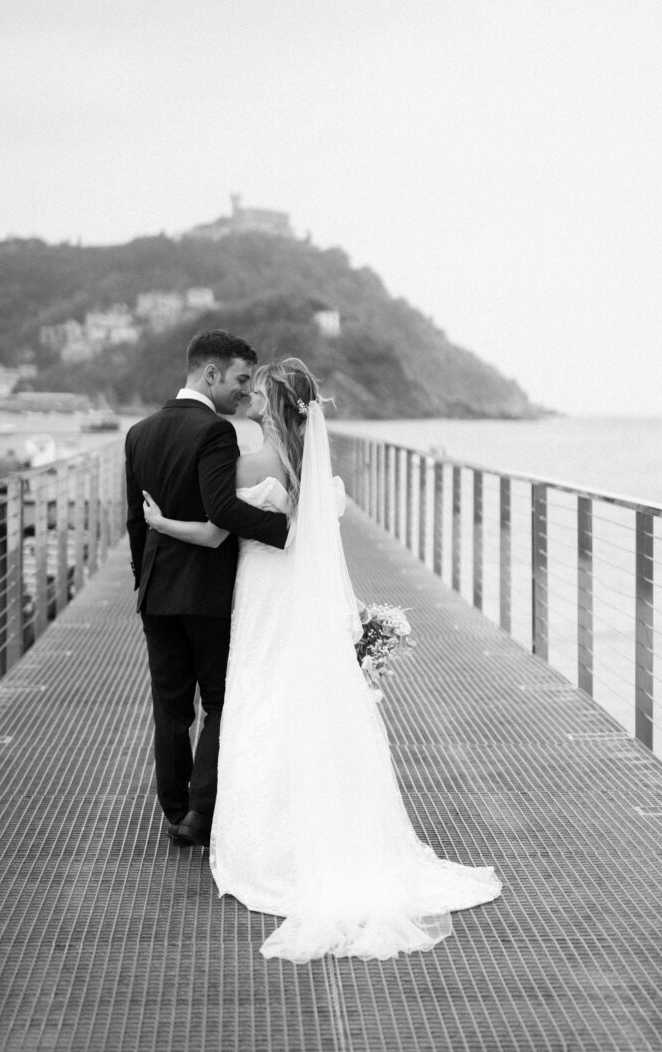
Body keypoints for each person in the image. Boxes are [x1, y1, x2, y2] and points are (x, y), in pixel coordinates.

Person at [142, 355, 502, 963]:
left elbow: (214, 531)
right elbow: (317, 540)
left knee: (258, 698)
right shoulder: (310, 465)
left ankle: (268, 844)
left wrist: (159, 521)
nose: (249, 396)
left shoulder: (246, 461)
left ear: (273, 403)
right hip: (299, 593)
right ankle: (318, 829)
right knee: (299, 698)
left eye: (257, 391)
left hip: (259, 591)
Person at [125, 330, 288, 851]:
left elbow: (136, 523)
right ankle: (200, 812)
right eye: (239, 379)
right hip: (208, 594)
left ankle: (174, 810)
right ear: (210, 373)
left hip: (157, 592)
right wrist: (294, 536)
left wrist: (142, 584)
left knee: (169, 707)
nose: (242, 392)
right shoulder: (215, 433)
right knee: (219, 702)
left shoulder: (139, 432)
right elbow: (221, 512)